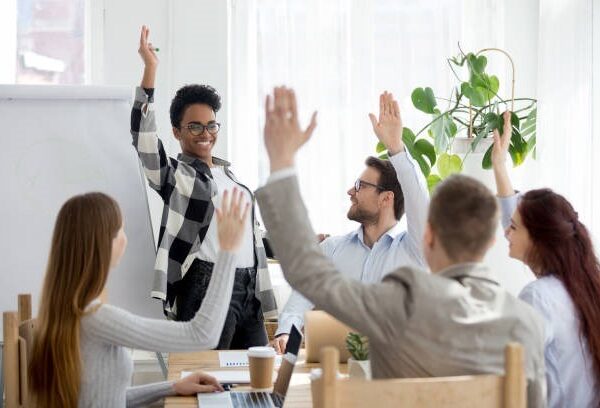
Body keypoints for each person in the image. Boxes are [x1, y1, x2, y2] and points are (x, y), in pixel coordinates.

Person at [255, 87, 546, 407]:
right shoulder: (527, 323)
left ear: (429, 235)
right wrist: (395, 148)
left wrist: (282, 163)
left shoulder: (398, 305)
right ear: (492, 241)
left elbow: (307, 273)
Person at [29, 189, 249, 408]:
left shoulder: (67, 313)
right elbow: (202, 335)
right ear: (104, 243)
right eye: (120, 230)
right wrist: (228, 252)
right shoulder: (97, 319)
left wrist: (172, 387)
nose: (125, 238)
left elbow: (112, 398)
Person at [131, 26, 276, 349]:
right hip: (206, 285)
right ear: (177, 132)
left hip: (249, 289)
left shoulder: (231, 178)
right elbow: (142, 139)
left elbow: (250, 239)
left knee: (255, 381)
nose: (205, 133)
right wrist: (150, 69)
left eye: (211, 125)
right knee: (207, 381)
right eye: (194, 126)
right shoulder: (177, 176)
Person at [271, 92, 429, 353]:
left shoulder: (413, 250)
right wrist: (287, 331)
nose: (350, 191)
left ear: (386, 198)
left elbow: (420, 203)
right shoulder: (331, 249)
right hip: (337, 373)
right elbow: (300, 298)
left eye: (360, 186)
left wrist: (396, 148)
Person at [492, 111, 600, 407]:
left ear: (540, 239)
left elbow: (508, 380)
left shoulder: (538, 297)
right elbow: (521, 217)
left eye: (512, 228)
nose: (505, 233)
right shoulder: (584, 286)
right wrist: (499, 167)